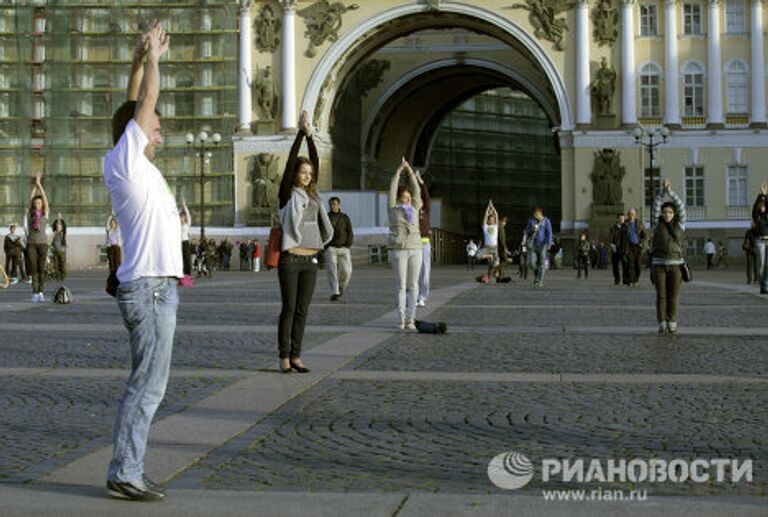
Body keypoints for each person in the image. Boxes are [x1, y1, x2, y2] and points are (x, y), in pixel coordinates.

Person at [103, 22, 181, 501]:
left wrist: (137, 61)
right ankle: (126, 471)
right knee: (147, 388)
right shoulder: (127, 160)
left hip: (156, 286)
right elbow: (144, 102)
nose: (159, 126)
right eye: (154, 123)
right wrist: (153, 57)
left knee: (148, 385)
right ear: (134, 131)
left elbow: (136, 102)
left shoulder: (129, 162)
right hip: (150, 289)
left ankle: (129, 467)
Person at [277, 110, 333, 372]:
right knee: (289, 309)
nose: (308, 175)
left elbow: (317, 164)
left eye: (310, 173)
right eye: (303, 172)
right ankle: (285, 357)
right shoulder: (288, 194)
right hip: (290, 259)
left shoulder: (314, 197)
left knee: (303, 311)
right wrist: (300, 133)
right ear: (296, 175)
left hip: (310, 259)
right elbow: (290, 163)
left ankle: (297, 355)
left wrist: (311, 136)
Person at [388, 157, 422, 328]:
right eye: (403, 197)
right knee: (401, 285)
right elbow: (393, 187)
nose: (406, 200)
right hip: (399, 249)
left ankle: (411, 318)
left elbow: (417, 189)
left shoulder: (416, 207)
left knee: (414, 284)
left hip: (416, 248)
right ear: (399, 198)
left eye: (408, 197)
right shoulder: (393, 208)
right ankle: (401, 318)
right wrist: (399, 171)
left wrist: (410, 171)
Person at [651, 178, 687, 334]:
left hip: (676, 265)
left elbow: (681, 206)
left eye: (670, 212)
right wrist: (661, 193)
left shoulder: (680, 224)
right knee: (661, 295)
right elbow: (655, 206)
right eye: (665, 212)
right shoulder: (656, 224)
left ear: (674, 214)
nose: (667, 214)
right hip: (659, 265)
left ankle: (672, 321)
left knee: (674, 296)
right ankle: (661, 322)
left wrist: (670, 192)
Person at [27, 171, 50, 302]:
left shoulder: (44, 215)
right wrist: (34, 187)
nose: (37, 205)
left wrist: (39, 185)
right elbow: (30, 200)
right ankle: (34, 292)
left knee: (41, 269)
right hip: (31, 244)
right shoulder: (30, 215)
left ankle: (41, 291)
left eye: (39, 203)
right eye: (36, 203)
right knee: (34, 269)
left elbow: (46, 202)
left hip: (43, 244)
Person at [325, 196, 353, 301]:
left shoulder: (345, 217)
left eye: (334, 204)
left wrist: (348, 244)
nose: (333, 206)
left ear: (339, 205)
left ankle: (341, 286)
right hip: (330, 247)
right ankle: (335, 292)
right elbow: (322, 231)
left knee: (347, 271)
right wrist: (325, 246)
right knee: (332, 270)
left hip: (344, 247)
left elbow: (350, 231)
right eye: (331, 204)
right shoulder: (326, 217)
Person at [525, 206, 553, 287]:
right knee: (531, 263)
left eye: (536, 214)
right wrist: (532, 230)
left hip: (542, 245)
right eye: (534, 214)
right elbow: (527, 232)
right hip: (533, 245)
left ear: (540, 213)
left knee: (542, 264)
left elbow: (549, 233)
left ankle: (540, 281)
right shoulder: (531, 221)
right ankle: (537, 273)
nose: (535, 216)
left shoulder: (546, 221)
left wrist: (549, 243)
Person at [415, 170, 432, 306]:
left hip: (424, 243)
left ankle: (423, 296)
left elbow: (427, 198)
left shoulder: (425, 210)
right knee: (414, 272)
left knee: (425, 272)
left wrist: (420, 182)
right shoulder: (410, 210)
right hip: (413, 244)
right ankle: (414, 295)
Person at [476, 200, 499, 284]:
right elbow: (485, 216)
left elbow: (496, 215)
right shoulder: (485, 226)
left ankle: (488, 278)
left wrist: (492, 207)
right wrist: (487, 208)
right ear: (488, 221)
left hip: (494, 248)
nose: (492, 221)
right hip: (487, 248)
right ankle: (488, 256)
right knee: (477, 256)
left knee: (494, 264)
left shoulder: (496, 226)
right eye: (491, 220)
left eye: (493, 220)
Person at [623, 207, 646, 287]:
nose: (631, 215)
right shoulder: (625, 224)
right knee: (630, 264)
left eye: (633, 214)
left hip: (638, 246)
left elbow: (644, 235)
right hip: (629, 246)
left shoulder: (639, 223)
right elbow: (621, 236)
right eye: (630, 214)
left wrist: (642, 243)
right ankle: (631, 281)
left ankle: (636, 279)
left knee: (638, 265)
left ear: (635, 215)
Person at [752, 182, 768, 294]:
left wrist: (765, 195)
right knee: (761, 264)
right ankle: (763, 285)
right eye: (760, 205)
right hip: (760, 240)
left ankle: (765, 284)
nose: (762, 207)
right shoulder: (757, 218)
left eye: (764, 205)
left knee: (767, 264)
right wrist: (760, 196)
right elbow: (754, 210)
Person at [51, 213, 67, 282]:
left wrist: (61, 219)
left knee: (62, 264)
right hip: (55, 250)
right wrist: (56, 219)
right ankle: (57, 276)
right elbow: (53, 226)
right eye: (57, 226)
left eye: (60, 226)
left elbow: (65, 226)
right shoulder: (54, 233)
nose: (58, 227)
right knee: (56, 265)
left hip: (62, 250)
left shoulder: (63, 233)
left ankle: (62, 276)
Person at [180, 198, 192, 279]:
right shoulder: (176, 225)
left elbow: (188, 214)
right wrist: (180, 208)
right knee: (179, 259)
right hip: (177, 243)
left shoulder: (187, 224)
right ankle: (180, 274)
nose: (181, 218)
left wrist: (184, 206)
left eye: (182, 217)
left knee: (187, 259)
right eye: (180, 217)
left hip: (185, 242)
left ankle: (187, 275)